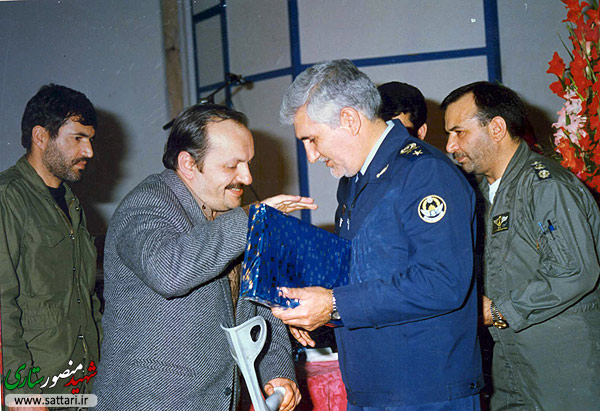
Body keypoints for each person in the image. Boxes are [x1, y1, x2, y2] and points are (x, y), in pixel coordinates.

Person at [272, 59, 483, 410]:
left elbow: (443, 281)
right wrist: (311, 308)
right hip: (372, 387)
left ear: (349, 120)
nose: (311, 156)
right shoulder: (355, 182)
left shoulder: (424, 173)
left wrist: (334, 304)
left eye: (312, 139)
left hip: (424, 392)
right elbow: (368, 274)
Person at [93, 104, 313, 411]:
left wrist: (278, 374)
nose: (247, 177)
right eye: (232, 166)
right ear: (188, 164)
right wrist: (250, 219)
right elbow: (169, 271)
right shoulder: (145, 204)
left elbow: (262, 308)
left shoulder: (229, 212)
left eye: (247, 163)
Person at [442, 81, 600, 410]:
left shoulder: (545, 187)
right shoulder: (482, 195)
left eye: (459, 132)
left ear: (496, 128)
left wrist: (499, 311)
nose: (450, 145)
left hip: (561, 365)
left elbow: (574, 272)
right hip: (512, 360)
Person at [0, 84, 102, 405]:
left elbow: (86, 299)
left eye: (90, 139)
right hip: (35, 388)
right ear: (41, 137)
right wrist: (21, 392)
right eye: (78, 138)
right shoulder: (8, 198)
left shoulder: (72, 204)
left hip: (80, 385)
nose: (89, 151)